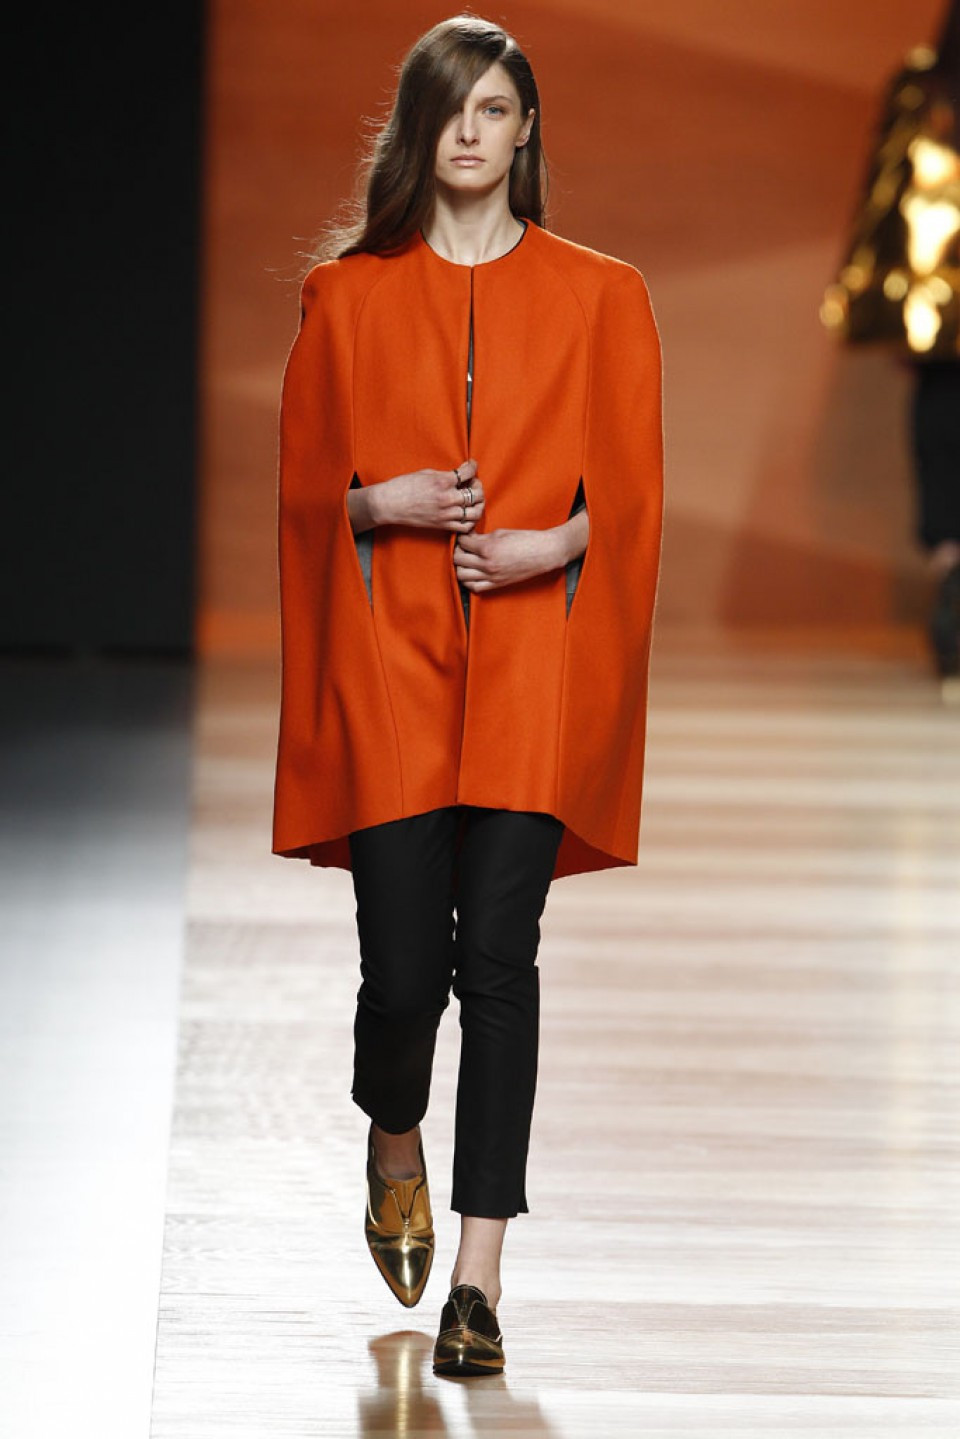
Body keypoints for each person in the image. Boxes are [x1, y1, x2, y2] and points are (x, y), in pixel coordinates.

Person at [271, 14, 663, 1376]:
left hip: (528, 667)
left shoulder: (604, 295)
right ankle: (396, 1134)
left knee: (499, 959)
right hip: (392, 664)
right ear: (417, 129)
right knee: (402, 973)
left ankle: (480, 1280)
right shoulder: (345, 298)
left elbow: (636, 500)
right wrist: (376, 500)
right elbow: (301, 500)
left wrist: (559, 542)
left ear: (526, 130)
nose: (472, 132)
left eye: (495, 109)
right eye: (451, 108)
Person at [821, 1, 960, 689]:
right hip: (939, 300)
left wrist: (878, 297)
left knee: (941, 417)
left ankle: (950, 562)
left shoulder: (925, 83)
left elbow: (886, 192)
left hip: (941, 300)